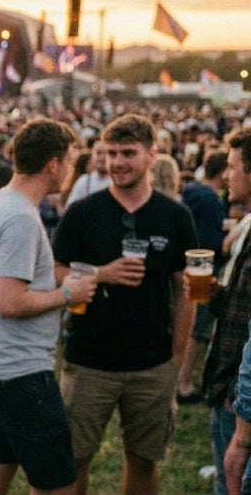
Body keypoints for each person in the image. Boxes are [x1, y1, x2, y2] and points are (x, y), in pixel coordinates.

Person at [52, 114, 197, 494]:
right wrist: (101, 274)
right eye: (111, 153)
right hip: (88, 360)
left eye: (128, 153)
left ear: (152, 155)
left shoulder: (175, 217)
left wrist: (177, 359)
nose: (117, 162)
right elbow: (54, 272)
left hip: (151, 363)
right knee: (74, 458)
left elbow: (187, 291)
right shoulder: (83, 213)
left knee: (144, 459)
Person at [0, 118, 96, 495]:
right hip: (19, 370)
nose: (72, 170)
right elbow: (9, 301)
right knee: (57, 483)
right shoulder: (20, 216)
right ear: (53, 164)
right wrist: (69, 294)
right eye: (70, 161)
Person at [204, 127, 251, 495]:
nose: (226, 175)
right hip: (231, 387)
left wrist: (237, 397)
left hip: (240, 397)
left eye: (234, 166)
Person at [177, 151, 228, 405]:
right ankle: (183, 384)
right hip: (202, 273)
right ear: (222, 173)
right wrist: (228, 240)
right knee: (197, 332)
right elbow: (209, 243)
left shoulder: (192, 191)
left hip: (186, 267)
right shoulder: (210, 200)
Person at [65, 140, 110, 206]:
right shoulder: (84, 181)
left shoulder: (118, 181)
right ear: (92, 155)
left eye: (107, 153)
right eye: (99, 153)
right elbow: (70, 208)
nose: (102, 157)